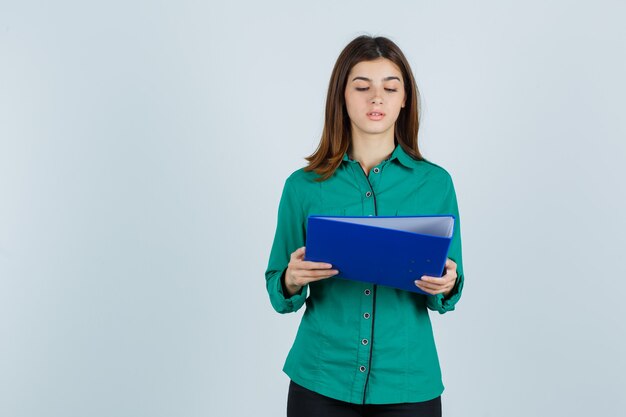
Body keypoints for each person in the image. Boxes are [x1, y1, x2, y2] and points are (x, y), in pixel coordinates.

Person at [265, 35, 464, 417]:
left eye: (390, 87)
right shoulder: (303, 186)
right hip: (320, 380)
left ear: (404, 99)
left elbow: (450, 286)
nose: (377, 98)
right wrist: (291, 278)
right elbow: (277, 287)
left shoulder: (436, 184)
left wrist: (447, 282)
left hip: (408, 381)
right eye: (362, 87)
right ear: (342, 95)